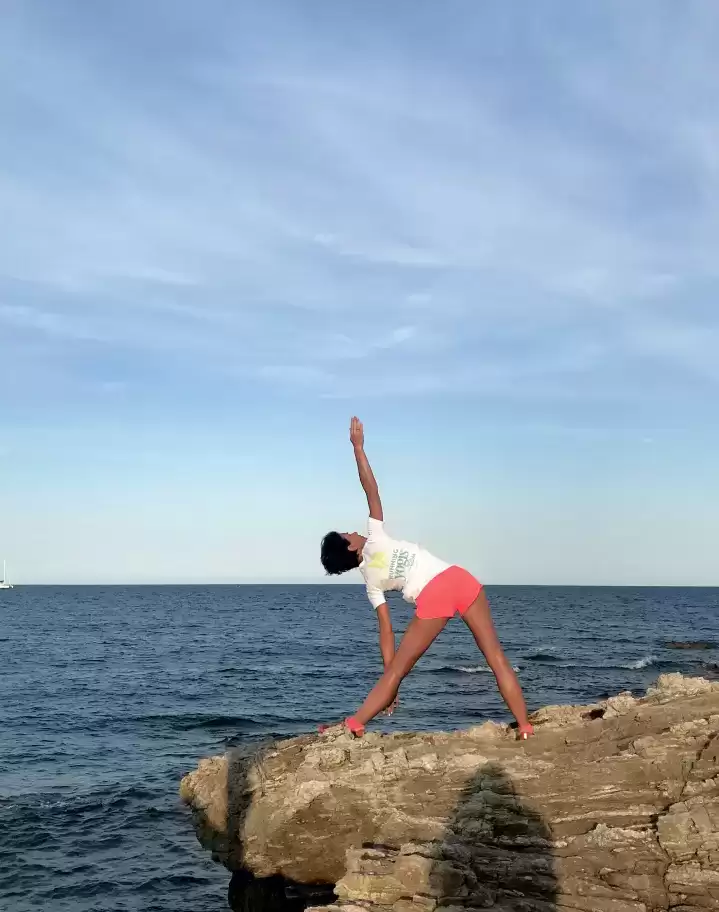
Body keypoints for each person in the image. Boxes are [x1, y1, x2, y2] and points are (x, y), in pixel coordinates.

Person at [320, 417, 534, 740]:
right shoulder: (374, 537)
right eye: (346, 533)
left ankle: (356, 722)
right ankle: (526, 727)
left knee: (399, 670)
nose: (352, 530)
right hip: (458, 579)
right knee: (496, 658)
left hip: (435, 596)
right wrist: (358, 449)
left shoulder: (371, 582)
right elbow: (371, 488)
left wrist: (391, 677)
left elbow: (386, 630)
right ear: (350, 545)